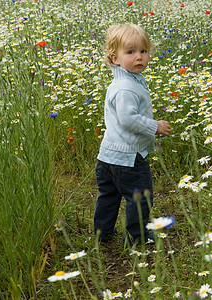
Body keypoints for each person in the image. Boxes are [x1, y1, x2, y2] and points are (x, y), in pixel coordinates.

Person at [93, 24, 171, 244]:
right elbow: (128, 119)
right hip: (128, 157)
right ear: (114, 58)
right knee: (139, 198)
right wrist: (154, 126)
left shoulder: (123, 81)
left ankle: (103, 233)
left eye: (143, 51)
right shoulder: (126, 87)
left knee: (109, 195)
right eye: (130, 52)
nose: (139, 57)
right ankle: (139, 236)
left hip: (108, 155)